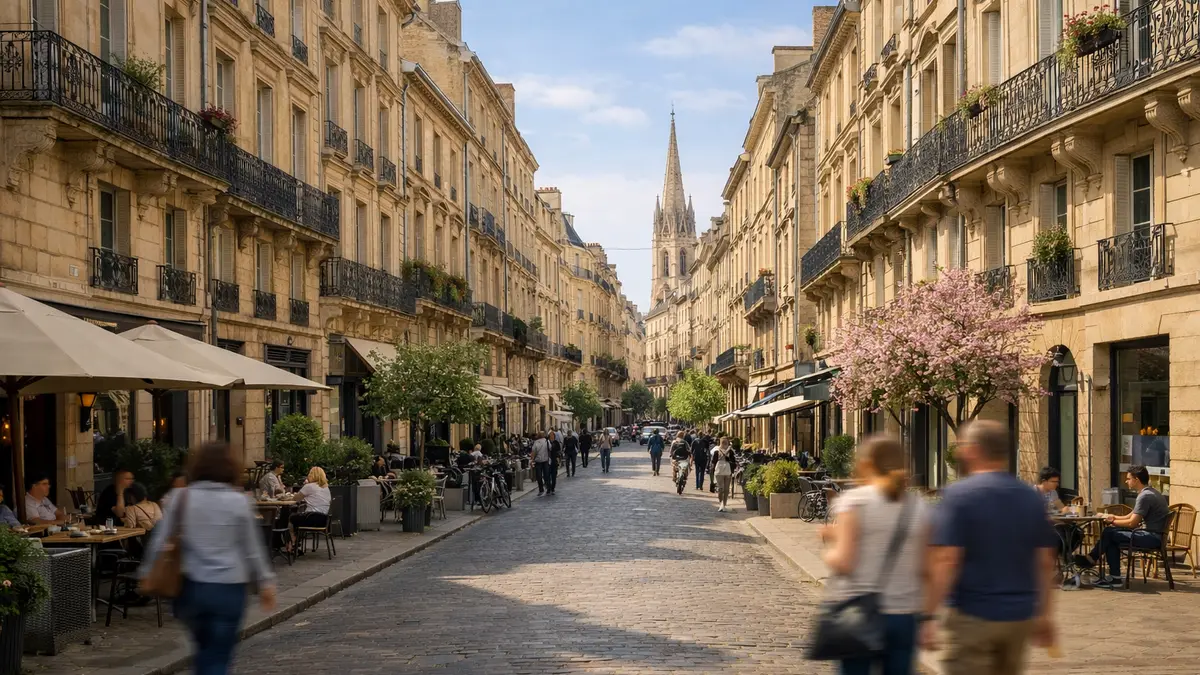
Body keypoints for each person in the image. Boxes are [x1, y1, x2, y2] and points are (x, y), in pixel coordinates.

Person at [925, 421, 1057, 675]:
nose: (960, 451)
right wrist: (1045, 614)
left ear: (974, 450)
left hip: (974, 615)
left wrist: (928, 615)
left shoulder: (959, 495)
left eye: (962, 446)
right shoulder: (1029, 497)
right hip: (1019, 617)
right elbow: (1045, 561)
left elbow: (947, 560)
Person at [140, 442, 275, 675]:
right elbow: (252, 548)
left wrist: (146, 573)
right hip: (229, 590)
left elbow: (160, 541)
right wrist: (266, 582)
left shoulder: (180, 498)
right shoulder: (238, 502)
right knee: (217, 656)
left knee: (204, 649)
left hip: (191, 589)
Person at [820, 435, 929, 674]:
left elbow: (844, 562)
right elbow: (927, 566)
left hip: (859, 613)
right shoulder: (918, 507)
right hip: (904, 615)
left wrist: (830, 543)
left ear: (866, 463)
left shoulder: (854, 502)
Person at [1074, 464, 1171, 588]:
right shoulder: (1151, 492)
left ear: (1136, 479)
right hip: (1154, 535)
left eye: (1128, 478)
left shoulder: (1145, 496)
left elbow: (1132, 523)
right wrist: (1110, 517)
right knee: (1111, 538)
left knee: (1109, 533)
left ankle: (1092, 559)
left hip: (1151, 538)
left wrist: (1112, 522)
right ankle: (1114, 578)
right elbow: (1130, 516)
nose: (1126, 481)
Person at [287, 467, 331, 554]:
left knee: (291, 518)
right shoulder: (326, 488)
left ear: (313, 475)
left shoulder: (309, 486)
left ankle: (293, 542)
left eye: (310, 474)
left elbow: (296, 498)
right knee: (298, 518)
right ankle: (296, 543)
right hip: (323, 520)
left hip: (311, 517)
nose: (308, 476)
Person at [711, 436, 737, 512]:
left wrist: (712, 472)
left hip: (720, 471)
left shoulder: (717, 451)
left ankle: (722, 504)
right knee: (724, 489)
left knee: (722, 489)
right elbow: (733, 462)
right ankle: (723, 504)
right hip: (726, 470)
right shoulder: (729, 451)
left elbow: (713, 462)